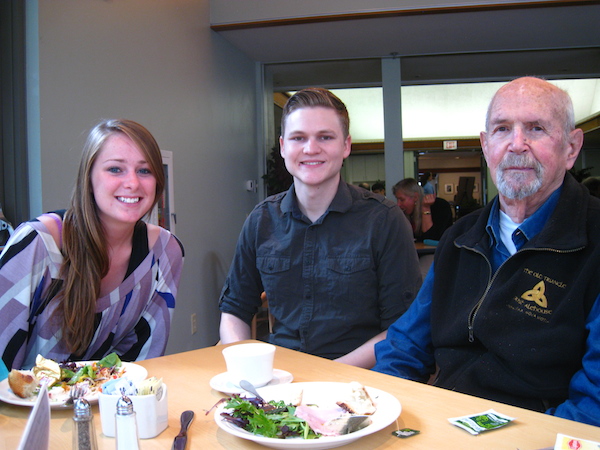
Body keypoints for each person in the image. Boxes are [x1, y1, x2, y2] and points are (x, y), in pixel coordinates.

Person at [373, 77, 600, 427]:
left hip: (539, 432)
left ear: (571, 148)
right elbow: (406, 345)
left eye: (536, 128)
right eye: (502, 129)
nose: (516, 144)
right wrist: (381, 412)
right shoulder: (459, 238)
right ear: (485, 145)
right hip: (445, 424)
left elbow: (593, 404)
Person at [219, 88, 421, 368]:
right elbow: (234, 310)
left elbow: (400, 327)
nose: (310, 148)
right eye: (298, 138)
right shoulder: (261, 220)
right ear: (283, 146)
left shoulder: (384, 220)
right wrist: (247, 367)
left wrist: (325, 376)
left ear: (346, 146)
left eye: (325, 137)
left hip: (360, 380)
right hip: (280, 379)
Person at [0, 119, 184, 370]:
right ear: (88, 178)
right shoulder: (38, 242)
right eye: (115, 169)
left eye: (145, 171)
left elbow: (141, 368)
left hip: (109, 406)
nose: (132, 183)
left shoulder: (165, 252)